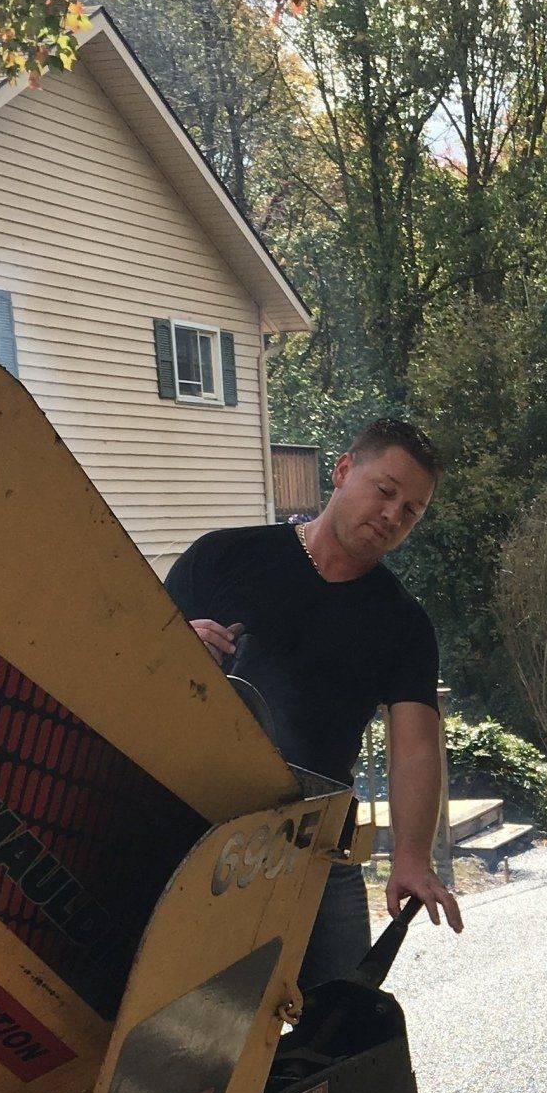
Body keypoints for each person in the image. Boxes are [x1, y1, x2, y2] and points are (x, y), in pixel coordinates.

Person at [164, 418, 462, 987]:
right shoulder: (223, 556)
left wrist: (411, 857)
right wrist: (175, 644)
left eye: (412, 510)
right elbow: (127, 665)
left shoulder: (403, 623)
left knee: (340, 1025)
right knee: (186, 1013)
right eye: (386, 491)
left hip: (317, 844)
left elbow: (416, 747)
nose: (393, 515)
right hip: (197, 825)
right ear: (344, 470)